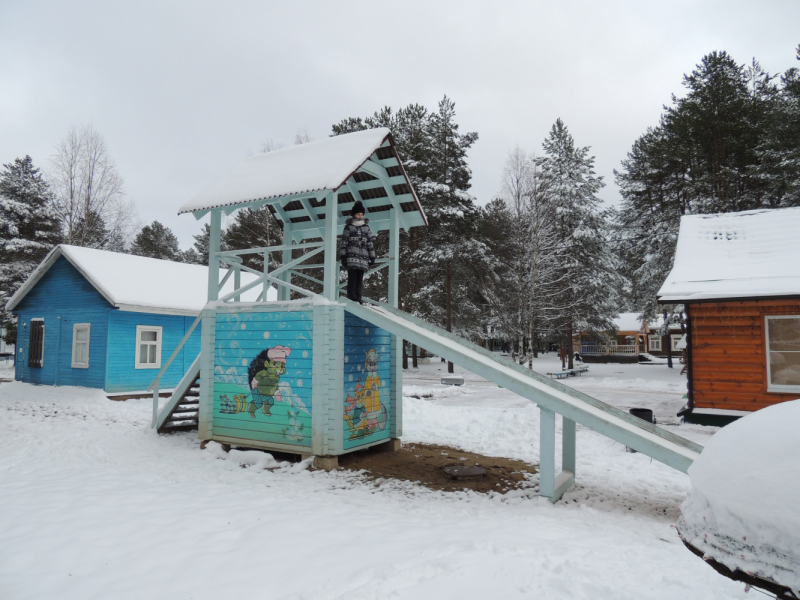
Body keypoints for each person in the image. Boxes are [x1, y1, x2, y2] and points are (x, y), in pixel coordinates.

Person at [339, 200, 375, 303]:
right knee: (352, 279)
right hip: (351, 257)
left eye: (361, 214)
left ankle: (358, 299)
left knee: (359, 280)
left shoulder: (366, 228)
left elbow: (370, 243)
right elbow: (344, 242)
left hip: (363, 258)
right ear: (354, 214)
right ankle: (352, 298)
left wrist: (372, 256)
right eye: (358, 214)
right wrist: (343, 256)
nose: (360, 216)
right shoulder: (349, 227)